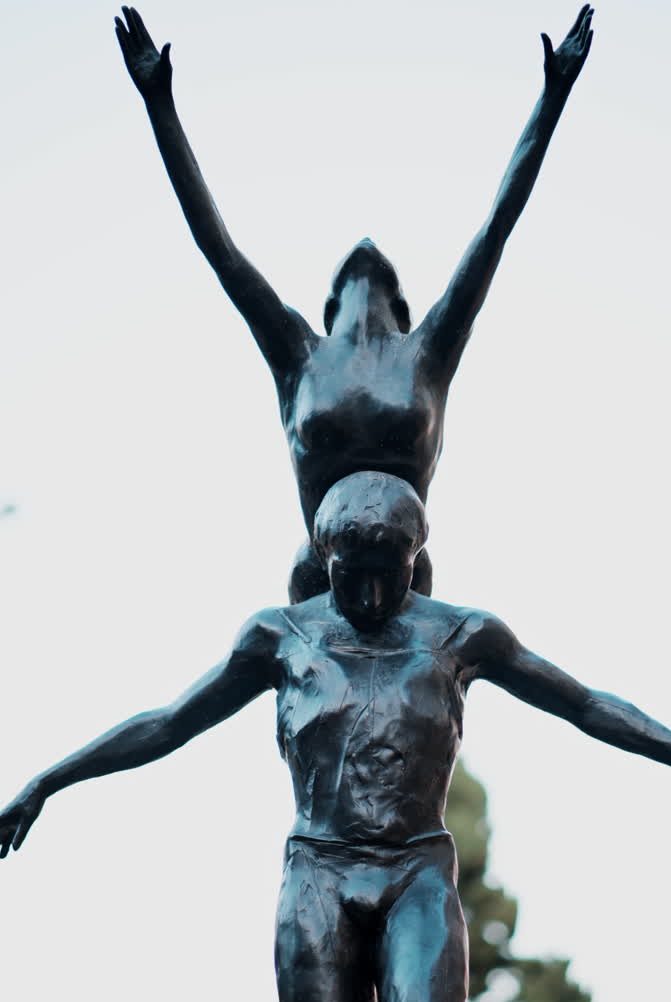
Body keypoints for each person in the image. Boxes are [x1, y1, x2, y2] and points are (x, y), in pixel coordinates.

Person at [1, 472, 671, 1002]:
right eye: (354, 574)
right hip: (320, 875)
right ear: (324, 557)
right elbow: (167, 722)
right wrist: (46, 784)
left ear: (417, 561)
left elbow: (584, 702)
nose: (373, 593)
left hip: (416, 868)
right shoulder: (278, 637)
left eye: (393, 573)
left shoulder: (462, 635)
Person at [114, 5, 595, 602]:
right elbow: (221, 251)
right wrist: (159, 105)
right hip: (321, 575)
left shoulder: (429, 352)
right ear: (326, 305)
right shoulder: (298, 354)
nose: (366, 246)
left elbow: (497, 226)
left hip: (404, 573)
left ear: (403, 305)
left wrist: (553, 97)